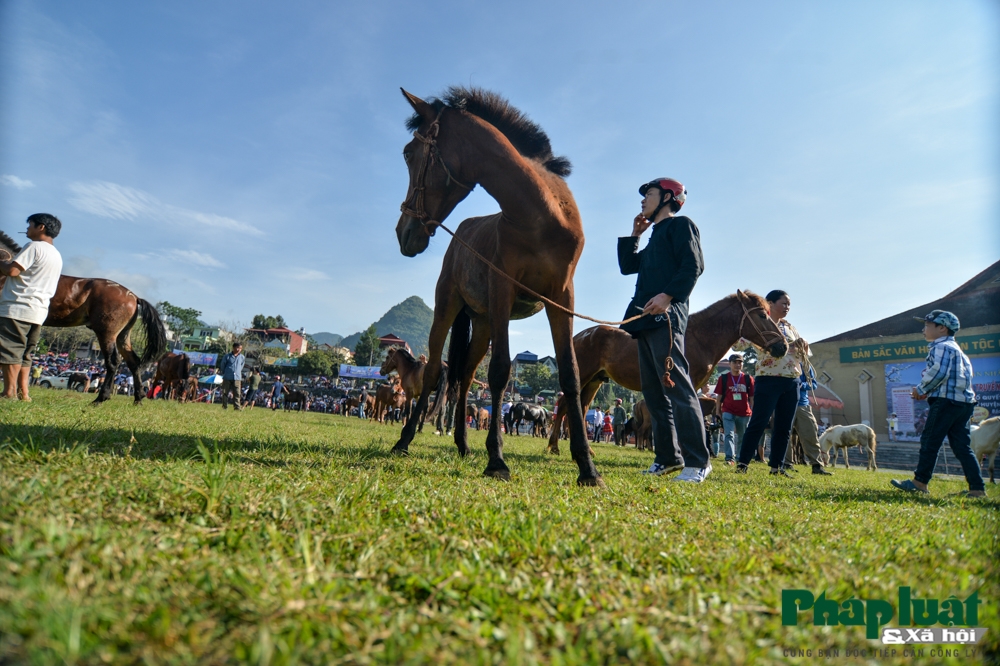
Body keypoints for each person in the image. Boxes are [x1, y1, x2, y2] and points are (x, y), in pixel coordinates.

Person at [619, 177, 710, 482]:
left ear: (669, 197)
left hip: (667, 316)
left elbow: (693, 265)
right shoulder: (654, 235)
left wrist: (668, 296)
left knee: (678, 388)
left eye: (650, 194)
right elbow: (628, 266)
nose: (643, 200)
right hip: (644, 319)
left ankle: (698, 461)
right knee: (653, 393)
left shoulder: (681, 225)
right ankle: (668, 458)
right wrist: (635, 234)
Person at [891, 311, 984, 497]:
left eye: (926, 325)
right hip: (963, 403)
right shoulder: (958, 350)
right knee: (961, 446)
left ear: (942, 328)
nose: (923, 330)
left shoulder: (940, 347)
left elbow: (939, 372)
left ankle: (920, 483)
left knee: (929, 441)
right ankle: (977, 489)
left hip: (945, 403)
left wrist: (921, 389)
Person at [734, 290, 805, 477]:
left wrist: (802, 346)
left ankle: (777, 467)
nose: (787, 307)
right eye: (784, 303)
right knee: (759, 421)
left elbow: (802, 354)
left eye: (789, 304)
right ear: (770, 304)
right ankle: (743, 463)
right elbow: (737, 344)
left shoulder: (790, 328)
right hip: (768, 378)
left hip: (792, 380)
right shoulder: (759, 324)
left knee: (784, 426)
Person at [0, 214, 63, 401]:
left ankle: (8, 393)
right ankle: (24, 393)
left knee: (10, 351)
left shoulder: (34, 246)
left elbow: (12, 270)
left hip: (17, 307)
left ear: (41, 227)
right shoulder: (56, 254)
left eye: (30, 225)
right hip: (38, 311)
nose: (27, 229)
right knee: (26, 354)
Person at [783, 367, 832, 475]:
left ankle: (817, 466)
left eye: (794, 347)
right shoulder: (781, 362)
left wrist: (801, 385)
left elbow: (813, 384)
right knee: (783, 436)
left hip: (802, 406)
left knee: (811, 435)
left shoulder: (805, 366)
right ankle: (786, 464)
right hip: (783, 405)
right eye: (789, 347)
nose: (792, 349)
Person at [713, 354, 754, 466]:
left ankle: (740, 458)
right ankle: (729, 458)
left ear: (742, 364)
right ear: (730, 364)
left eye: (739, 362)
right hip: (728, 410)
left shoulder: (747, 378)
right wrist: (718, 412)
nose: (737, 365)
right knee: (729, 435)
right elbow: (719, 397)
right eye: (735, 362)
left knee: (742, 436)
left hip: (744, 412)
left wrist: (752, 410)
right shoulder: (724, 378)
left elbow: (751, 397)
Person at [217, 342, 245, 410]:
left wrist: (237, 372)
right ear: (233, 348)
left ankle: (237, 407)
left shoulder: (242, 357)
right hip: (227, 377)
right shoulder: (227, 356)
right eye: (237, 348)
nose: (239, 349)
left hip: (237, 378)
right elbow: (223, 365)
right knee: (225, 392)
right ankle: (225, 406)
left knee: (237, 393)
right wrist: (226, 372)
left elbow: (241, 366)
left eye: (240, 348)